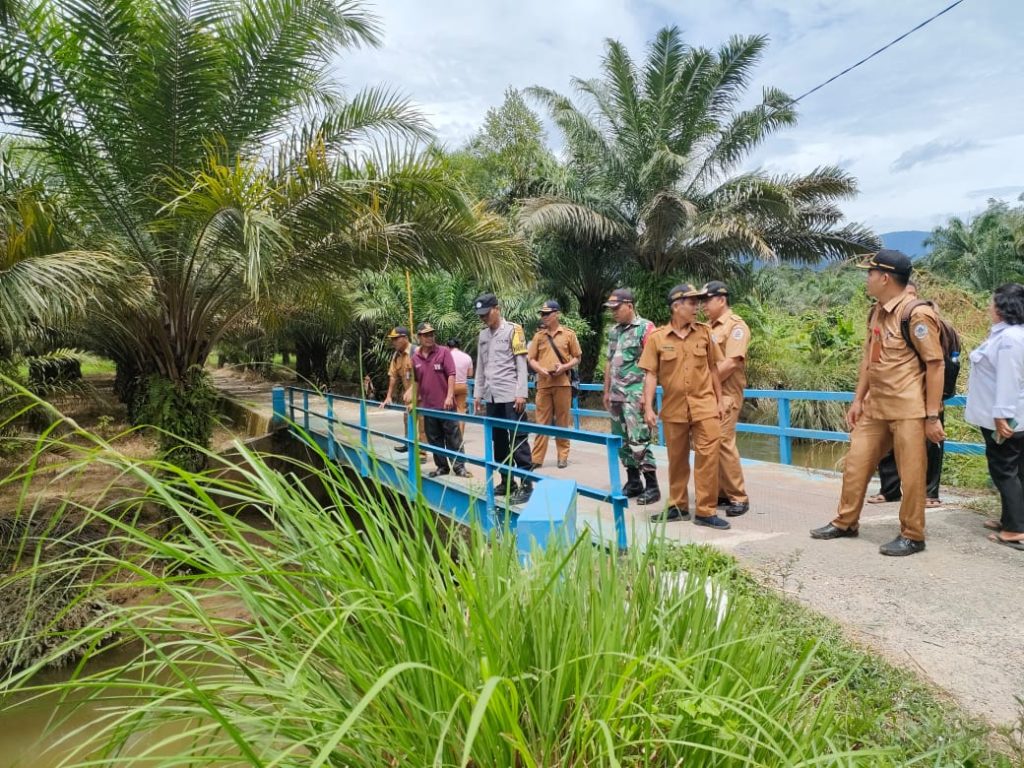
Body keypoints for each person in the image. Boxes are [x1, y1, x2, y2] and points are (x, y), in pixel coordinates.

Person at [810, 249, 946, 556]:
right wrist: (858, 399)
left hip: (908, 409)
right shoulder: (876, 312)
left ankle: (913, 535)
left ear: (885, 278)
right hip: (876, 407)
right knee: (855, 465)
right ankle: (846, 522)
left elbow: (935, 364)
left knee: (911, 475)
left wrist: (932, 416)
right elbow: (869, 360)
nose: (867, 278)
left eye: (870, 273)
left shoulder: (916, 314)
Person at [640, 284, 729, 528]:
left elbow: (713, 368)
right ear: (676, 306)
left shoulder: (705, 333)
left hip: (705, 406)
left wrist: (720, 401)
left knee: (707, 458)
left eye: (698, 303)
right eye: (691, 303)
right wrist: (648, 408)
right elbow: (650, 375)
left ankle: (705, 511)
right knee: (676, 460)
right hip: (674, 409)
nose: (697, 307)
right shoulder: (657, 338)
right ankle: (678, 507)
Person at [867, 280, 945, 508]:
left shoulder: (923, 318)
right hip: (893, 396)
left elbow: (938, 363)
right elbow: (875, 356)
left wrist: (934, 408)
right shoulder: (882, 319)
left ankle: (929, 493)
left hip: (924, 396)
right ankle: (890, 489)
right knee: (889, 446)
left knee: (928, 447)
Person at [964, 283, 1024, 550]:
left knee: (1004, 471)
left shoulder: (1009, 338)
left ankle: (1014, 530)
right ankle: (1012, 519)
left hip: (1006, 418)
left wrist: (1001, 416)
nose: (989, 306)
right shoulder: (1010, 334)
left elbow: (1009, 380)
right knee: (1017, 470)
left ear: (1002, 307)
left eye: (993, 302)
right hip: (1014, 416)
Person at [473, 293, 533, 505]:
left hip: (511, 396)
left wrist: (521, 393)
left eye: (486, 313)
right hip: (491, 396)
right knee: (498, 440)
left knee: (518, 438)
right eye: (481, 315)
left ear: (497, 309)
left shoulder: (513, 330)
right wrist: (478, 393)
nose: (484, 318)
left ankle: (526, 484)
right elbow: (480, 366)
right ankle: (507, 481)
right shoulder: (483, 335)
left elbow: (521, 364)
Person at [602, 288, 659, 505]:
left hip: (635, 394)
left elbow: (652, 365)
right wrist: (606, 391)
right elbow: (609, 362)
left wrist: (646, 397)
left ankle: (652, 486)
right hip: (616, 395)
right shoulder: (613, 331)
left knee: (639, 439)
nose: (614, 312)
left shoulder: (646, 328)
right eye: (611, 309)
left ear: (630, 306)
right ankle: (634, 481)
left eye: (617, 308)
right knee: (622, 442)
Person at [702, 280, 751, 517]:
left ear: (721, 300)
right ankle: (721, 492)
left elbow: (732, 363)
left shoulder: (736, 326)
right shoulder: (706, 328)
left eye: (707, 300)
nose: (703, 305)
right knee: (711, 442)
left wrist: (704, 383)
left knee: (723, 441)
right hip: (710, 395)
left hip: (727, 395)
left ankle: (738, 496)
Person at [527, 300, 582, 469]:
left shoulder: (568, 334)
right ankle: (536, 459)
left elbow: (577, 357)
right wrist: (540, 369)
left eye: (547, 314)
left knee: (562, 420)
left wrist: (564, 367)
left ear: (556, 314)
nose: (544, 317)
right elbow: (531, 359)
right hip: (543, 384)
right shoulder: (539, 336)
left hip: (562, 383)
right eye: (542, 314)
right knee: (541, 421)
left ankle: (562, 456)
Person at [409, 322, 469, 478]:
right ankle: (442, 466)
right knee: (434, 439)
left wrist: (449, 396)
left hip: (445, 406)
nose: (430, 337)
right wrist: (413, 402)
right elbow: (416, 382)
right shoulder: (415, 358)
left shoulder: (443, 352)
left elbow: (451, 375)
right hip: (428, 407)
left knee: (453, 437)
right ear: (419, 337)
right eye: (426, 335)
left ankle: (459, 467)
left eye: (432, 334)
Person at [380, 326, 417, 454]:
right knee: (407, 419)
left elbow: (423, 376)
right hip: (408, 397)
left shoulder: (416, 352)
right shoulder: (397, 356)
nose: (393, 342)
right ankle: (408, 443)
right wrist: (388, 396)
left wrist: (413, 390)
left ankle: (422, 452)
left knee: (422, 423)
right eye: (392, 339)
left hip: (421, 395)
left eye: (396, 339)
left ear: (405, 338)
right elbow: (393, 376)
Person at [446, 338, 474, 432]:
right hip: (462, 386)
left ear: (448, 347)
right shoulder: (467, 357)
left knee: (447, 410)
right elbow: (470, 374)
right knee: (461, 411)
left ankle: (450, 434)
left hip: (450, 387)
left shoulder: (447, 356)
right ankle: (460, 435)